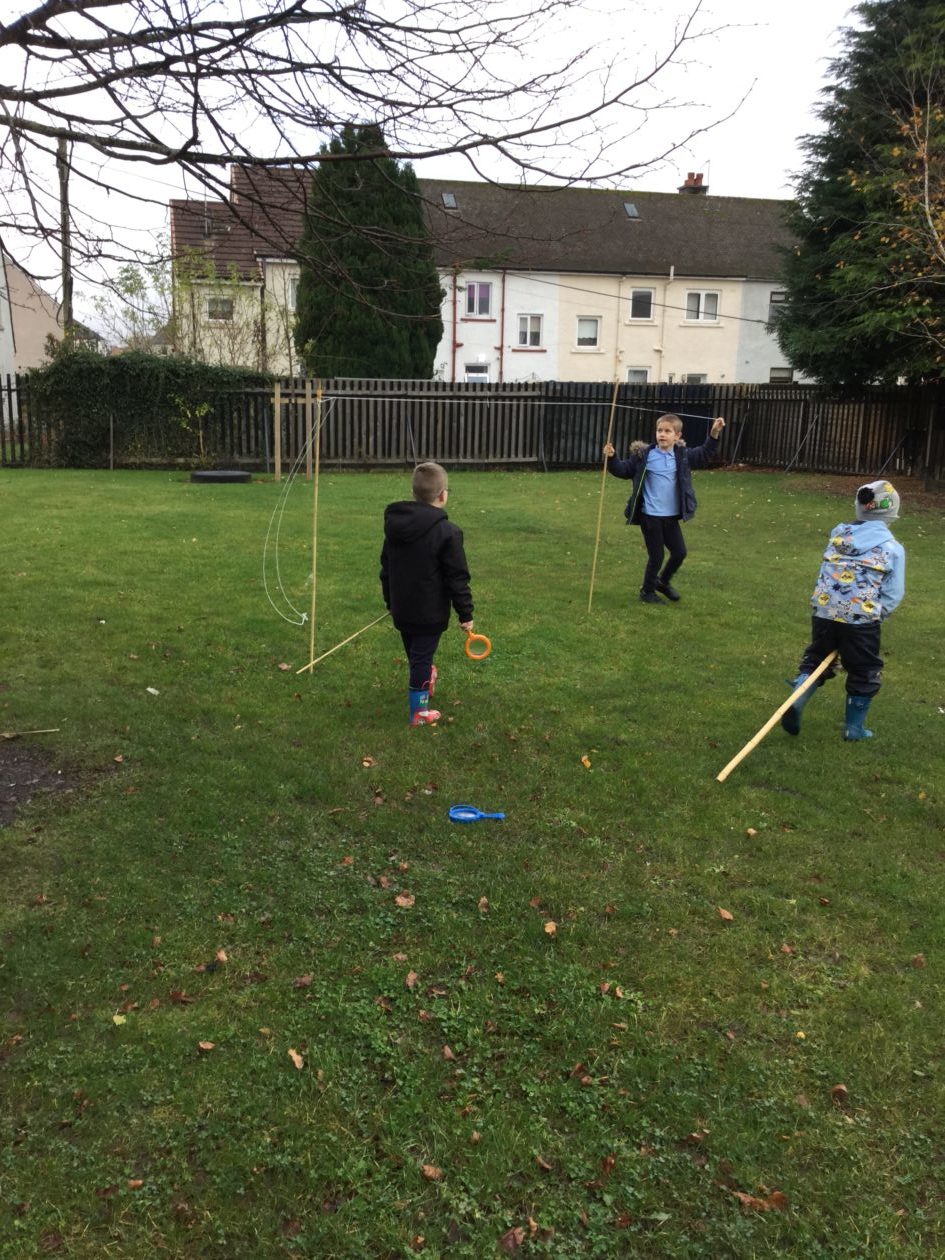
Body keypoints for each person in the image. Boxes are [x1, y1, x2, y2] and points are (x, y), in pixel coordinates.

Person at [781, 479, 905, 742]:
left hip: (824, 610)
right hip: (862, 618)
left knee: (818, 657)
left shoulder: (838, 537)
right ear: (891, 512)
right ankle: (854, 729)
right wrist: (878, 615)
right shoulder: (893, 548)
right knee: (864, 669)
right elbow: (894, 592)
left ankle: (799, 695)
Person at [380, 461, 474, 727]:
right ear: (443, 495)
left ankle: (425, 675)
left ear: (414, 494)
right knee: (420, 657)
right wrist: (466, 613)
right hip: (428, 612)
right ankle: (419, 712)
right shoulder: (448, 532)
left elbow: (386, 569)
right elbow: (457, 577)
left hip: (402, 608)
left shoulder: (396, 528)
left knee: (417, 654)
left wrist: (390, 601)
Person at [603, 413, 725, 604]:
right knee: (657, 556)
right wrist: (612, 458)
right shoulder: (644, 456)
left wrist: (714, 433)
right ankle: (647, 592)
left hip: (670, 517)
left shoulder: (682, 455)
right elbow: (623, 470)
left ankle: (662, 582)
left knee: (680, 552)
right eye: (659, 430)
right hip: (650, 516)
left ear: (677, 436)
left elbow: (703, 454)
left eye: (667, 431)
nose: (662, 434)